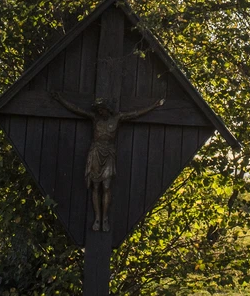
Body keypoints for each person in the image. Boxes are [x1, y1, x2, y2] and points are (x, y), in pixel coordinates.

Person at [48, 91, 165, 232]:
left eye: (102, 109)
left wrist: (154, 105)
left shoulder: (117, 118)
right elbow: (77, 110)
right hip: (96, 152)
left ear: (108, 109)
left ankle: (105, 218)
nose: (101, 112)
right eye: (99, 110)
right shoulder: (94, 119)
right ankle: (97, 218)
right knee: (95, 186)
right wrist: (60, 98)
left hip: (108, 153)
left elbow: (135, 114)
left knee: (107, 185)